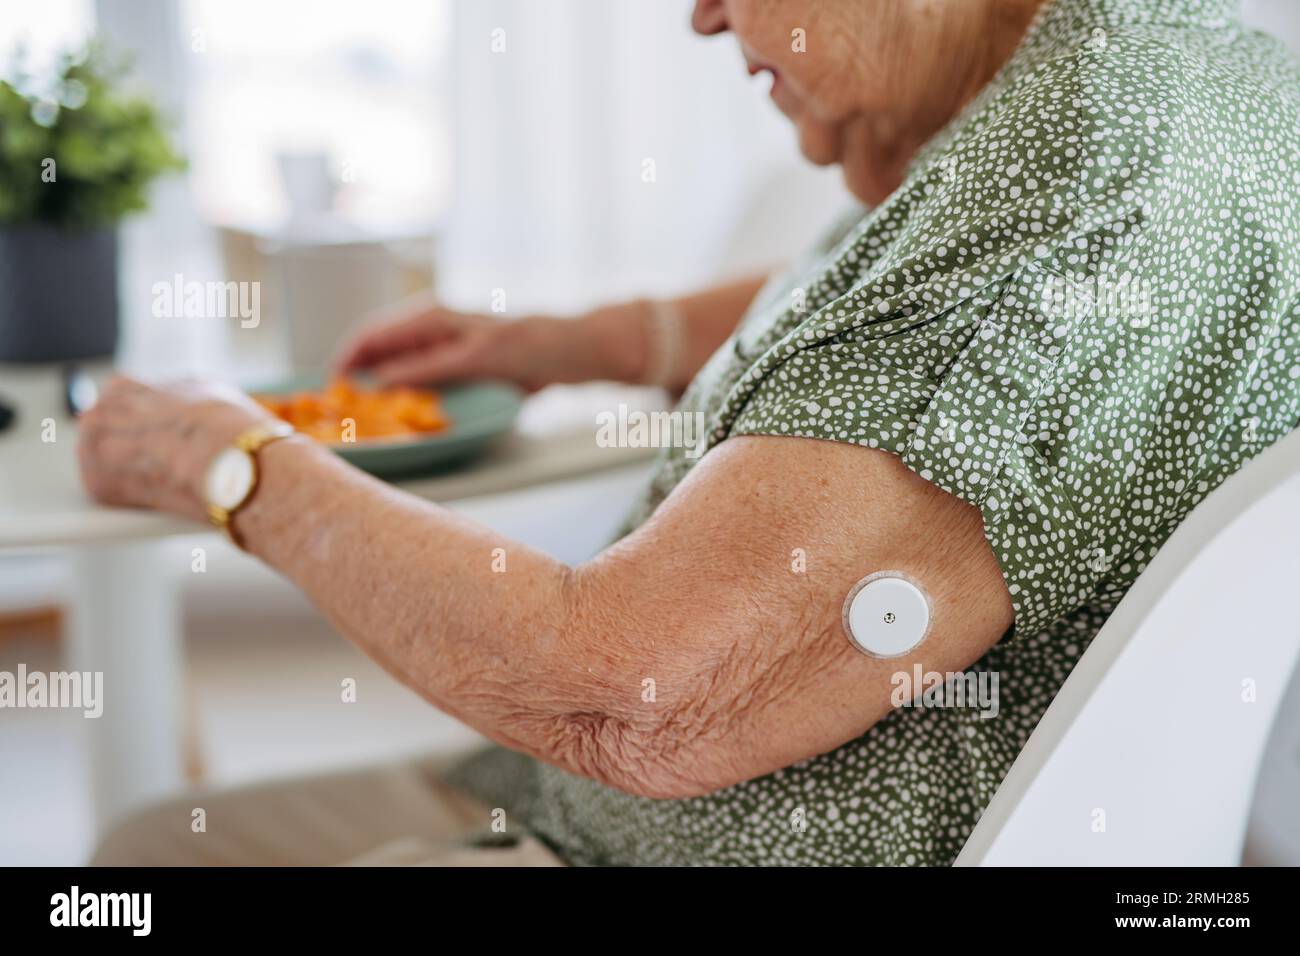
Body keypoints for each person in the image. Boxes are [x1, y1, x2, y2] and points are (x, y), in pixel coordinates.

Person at [83, 0, 1300, 866]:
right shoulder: (1156, 67)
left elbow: (636, 698)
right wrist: (592, 340)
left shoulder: (1079, 175)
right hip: (611, 808)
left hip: (692, 834)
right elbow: (904, 315)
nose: (704, 18)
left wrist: (232, 465)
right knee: (146, 845)